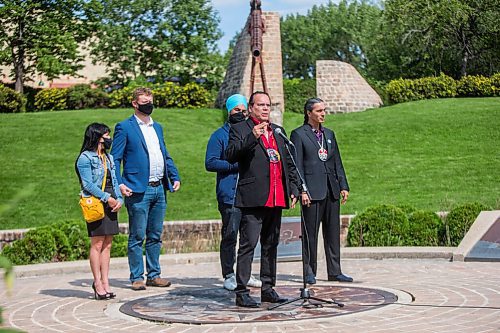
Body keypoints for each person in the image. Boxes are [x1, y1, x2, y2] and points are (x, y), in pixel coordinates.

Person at [225, 91, 300, 308]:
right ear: (251, 108)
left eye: (268, 104)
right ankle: (242, 291)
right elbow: (230, 155)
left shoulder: (278, 131)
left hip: (276, 196)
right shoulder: (240, 129)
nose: (266, 108)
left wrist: (293, 188)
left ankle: (268, 288)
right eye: (261, 105)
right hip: (253, 197)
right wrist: (252, 138)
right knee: (248, 245)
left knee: (270, 244)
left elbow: (288, 162)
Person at [111, 87, 181, 291]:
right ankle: (136, 277)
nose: (148, 104)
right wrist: (120, 184)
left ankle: (154, 275)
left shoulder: (157, 127)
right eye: (144, 101)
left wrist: (174, 176)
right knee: (137, 235)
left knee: (155, 235)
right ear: (135, 103)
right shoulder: (124, 127)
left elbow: (164, 153)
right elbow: (115, 158)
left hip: (159, 188)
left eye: (150, 100)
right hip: (137, 190)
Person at [290, 97, 352, 285]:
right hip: (311, 192)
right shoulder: (299, 134)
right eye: (318, 111)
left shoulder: (329, 135)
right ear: (309, 113)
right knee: (310, 234)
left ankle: (335, 271)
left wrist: (343, 185)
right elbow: (296, 165)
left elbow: (337, 162)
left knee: (332, 233)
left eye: (324, 110)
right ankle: (309, 271)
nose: (323, 114)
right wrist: (302, 190)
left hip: (331, 190)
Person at [205, 94, 262, 291]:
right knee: (230, 234)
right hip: (230, 194)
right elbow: (210, 162)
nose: (241, 113)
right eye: (236, 110)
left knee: (249, 237)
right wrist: (236, 165)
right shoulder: (219, 135)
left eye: (244, 110)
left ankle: (245, 273)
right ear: (229, 111)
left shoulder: (250, 133)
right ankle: (228, 273)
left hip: (250, 193)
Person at [76, 123, 123, 300]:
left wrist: (119, 199)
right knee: (97, 243)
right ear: (96, 137)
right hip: (97, 201)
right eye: (106, 135)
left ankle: (106, 281)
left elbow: (115, 180)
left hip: (111, 201)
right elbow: (87, 184)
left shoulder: (108, 157)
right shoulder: (85, 158)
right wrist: (107, 198)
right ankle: (97, 282)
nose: (109, 138)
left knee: (108, 244)